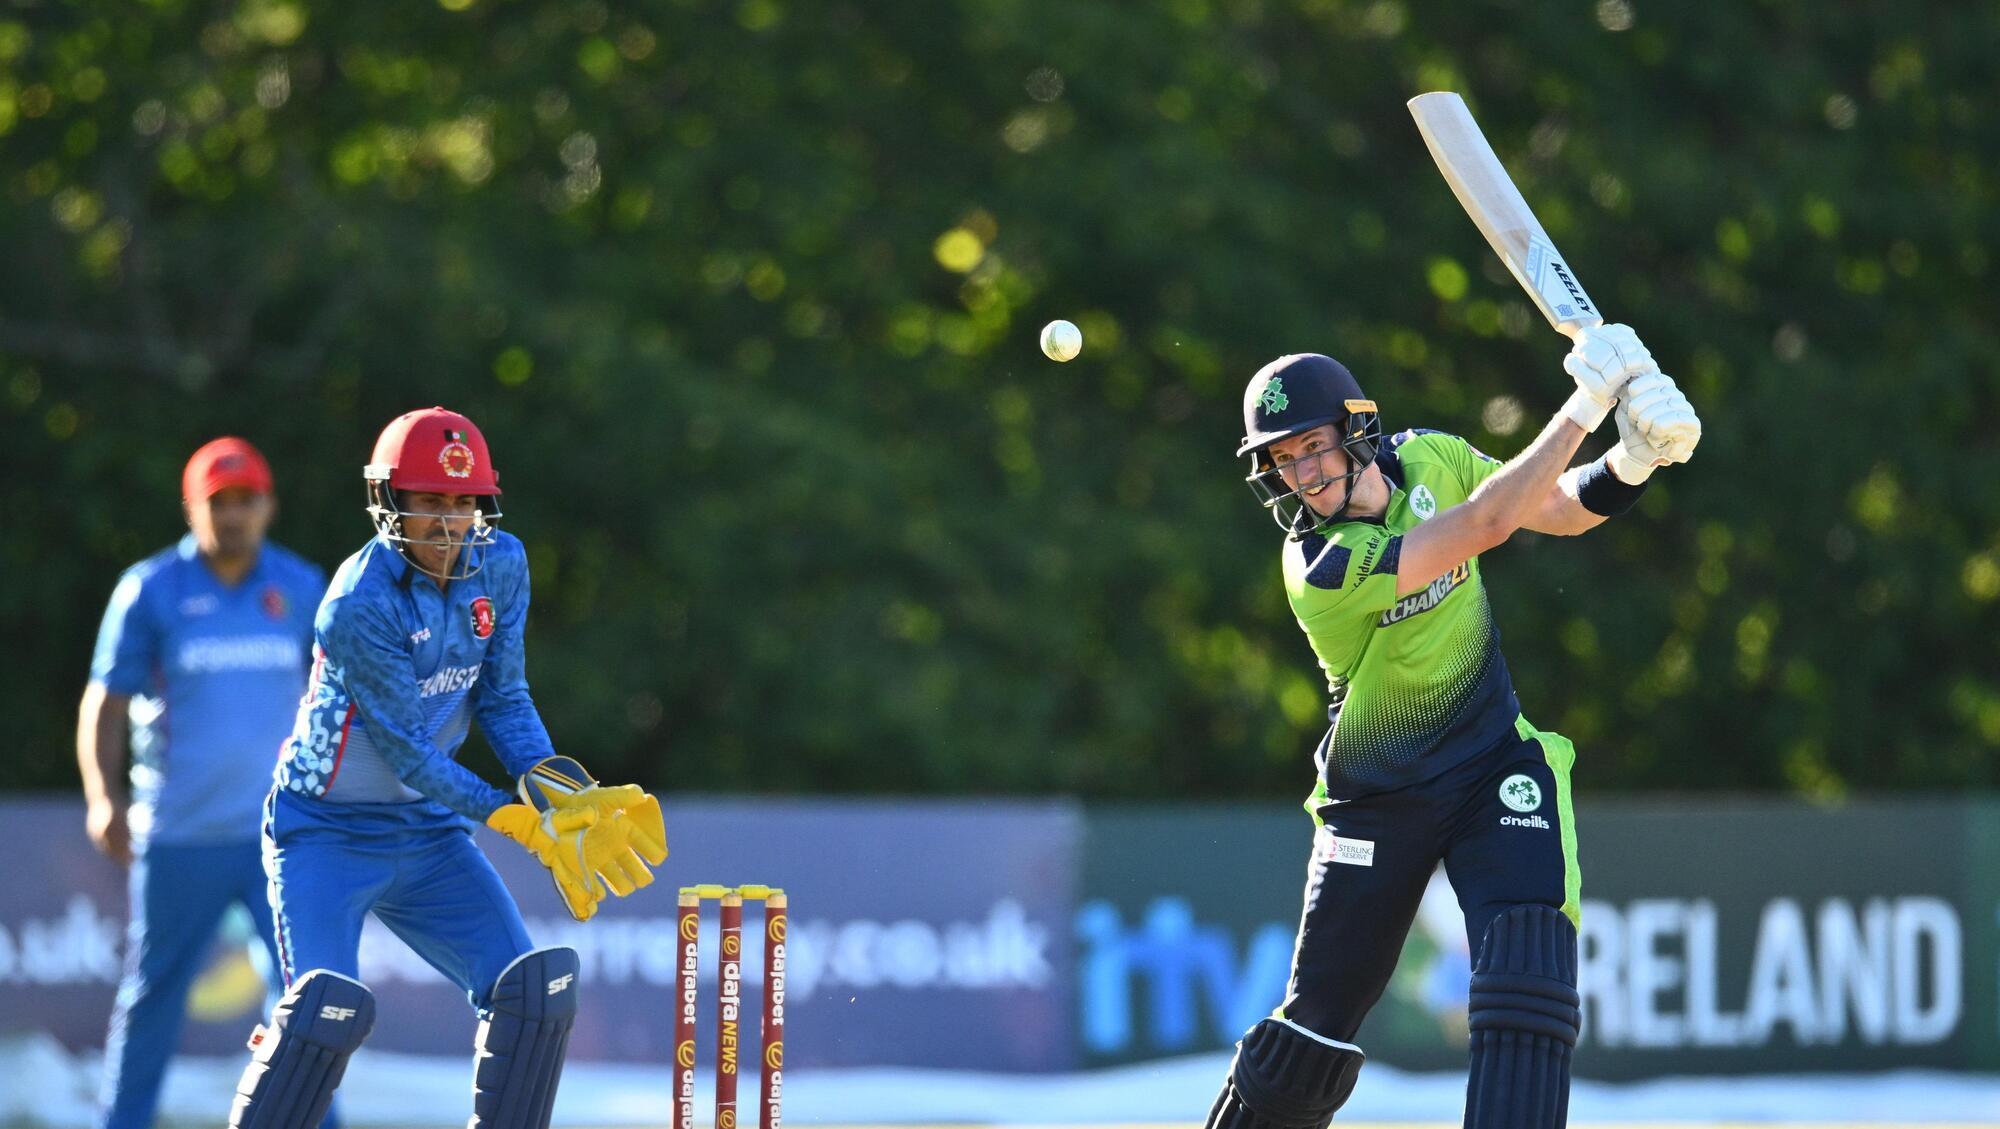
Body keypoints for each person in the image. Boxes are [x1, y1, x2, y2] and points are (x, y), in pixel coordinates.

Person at [1203, 327, 1701, 1129]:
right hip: (1378, 801)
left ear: (1356, 430)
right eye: (1284, 460)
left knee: (1529, 978)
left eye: (1313, 447)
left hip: (1491, 764)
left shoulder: (1430, 455)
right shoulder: (1319, 565)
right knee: (1312, 1034)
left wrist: (1633, 460)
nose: (1304, 474)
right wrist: (1586, 403)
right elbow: (1484, 525)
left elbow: (1551, 507)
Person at [226, 407, 667, 1129]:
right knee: (321, 1017)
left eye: (464, 502)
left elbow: (504, 697)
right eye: (429, 500)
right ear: (387, 501)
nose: (449, 522)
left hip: (427, 832)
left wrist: (561, 792)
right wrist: (517, 821)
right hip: (326, 832)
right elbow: (407, 750)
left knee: (534, 994)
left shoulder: (503, 563)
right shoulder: (357, 604)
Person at [78, 437, 328, 1129]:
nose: (234, 514)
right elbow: (105, 701)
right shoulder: (151, 589)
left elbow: (337, 698)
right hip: (180, 834)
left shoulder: (302, 585)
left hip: (281, 834)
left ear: (268, 505)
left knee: (308, 999)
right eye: (219, 502)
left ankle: (314, 1120)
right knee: (154, 994)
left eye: (247, 500)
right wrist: (103, 797)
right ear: (192, 508)